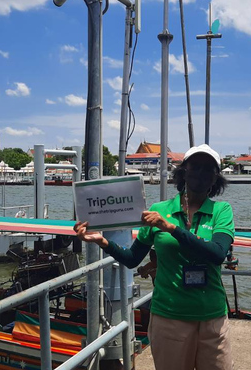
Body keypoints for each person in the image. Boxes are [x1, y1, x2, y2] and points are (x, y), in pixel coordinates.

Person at [74, 143, 234, 370]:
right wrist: (103, 242)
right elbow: (131, 259)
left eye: (208, 169)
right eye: (195, 166)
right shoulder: (160, 209)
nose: (200, 173)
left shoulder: (221, 211)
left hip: (212, 318)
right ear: (183, 171)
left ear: (215, 178)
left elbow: (218, 254)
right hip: (169, 318)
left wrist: (171, 229)